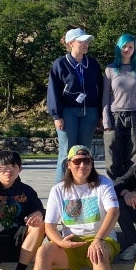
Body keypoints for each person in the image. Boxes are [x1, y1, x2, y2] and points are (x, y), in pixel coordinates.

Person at [25, 145, 120, 270]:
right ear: (69, 164)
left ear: (92, 163)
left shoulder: (103, 183)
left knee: (98, 251)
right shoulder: (59, 189)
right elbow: (49, 225)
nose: (82, 165)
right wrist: (60, 243)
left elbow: (113, 211)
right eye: (77, 161)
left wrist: (99, 238)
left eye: (87, 161)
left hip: (102, 237)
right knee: (43, 251)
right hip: (71, 242)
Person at [47, 28, 103, 182]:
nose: (86, 44)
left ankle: (84, 188)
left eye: (87, 42)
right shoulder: (60, 64)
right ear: (71, 43)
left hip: (90, 112)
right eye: (82, 41)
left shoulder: (92, 64)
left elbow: (101, 89)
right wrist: (56, 115)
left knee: (84, 152)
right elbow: (53, 90)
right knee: (66, 153)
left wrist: (100, 115)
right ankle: (61, 191)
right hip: (67, 113)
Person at [102, 33, 136, 181]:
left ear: (134, 49)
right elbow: (105, 97)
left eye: (130, 47)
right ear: (119, 47)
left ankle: (131, 187)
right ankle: (115, 190)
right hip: (115, 116)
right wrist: (106, 120)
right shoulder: (110, 69)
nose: (127, 49)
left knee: (134, 156)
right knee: (113, 157)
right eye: (124, 46)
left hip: (135, 116)